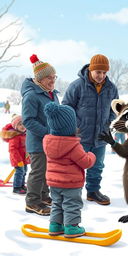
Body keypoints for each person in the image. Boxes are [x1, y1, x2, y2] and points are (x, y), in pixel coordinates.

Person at [62, 54, 119, 205]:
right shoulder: (77, 85)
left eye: (104, 72)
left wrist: (108, 122)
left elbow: (115, 108)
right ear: (91, 70)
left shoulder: (111, 88)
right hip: (80, 135)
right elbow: (66, 107)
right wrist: (75, 127)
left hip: (101, 135)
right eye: (98, 72)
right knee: (76, 166)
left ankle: (93, 191)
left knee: (97, 165)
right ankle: (73, 193)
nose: (101, 76)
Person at [43, 102, 96, 238]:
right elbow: (86, 162)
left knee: (57, 203)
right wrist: (91, 155)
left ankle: (55, 225)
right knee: (71, 204)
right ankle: (71, 228)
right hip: (71, 183)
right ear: (70, 126)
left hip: (54, 182)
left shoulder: (48, 142)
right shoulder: (73, 146)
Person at [21, 54, 59, 216]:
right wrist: (48, 132)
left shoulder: (52, 93)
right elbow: (28, 121)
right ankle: (32, 202)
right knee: (38, 171)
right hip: (37, 142)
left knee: (47, 170)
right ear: (40, 79)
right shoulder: (31, 96)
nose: (52, 80)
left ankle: (43, 195)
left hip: (51, 141)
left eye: (54, 77)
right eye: (49, 78)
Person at [0, 114, 30, 194]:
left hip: (24, 158)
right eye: (20, 124)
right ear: (15, 127)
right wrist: (18, 160)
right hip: (17, 159)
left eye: (23, 124)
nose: (22, 126)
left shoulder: (24, 135)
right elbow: (12, 150)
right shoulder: (15, 137)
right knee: (20, 172)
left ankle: (22, 185)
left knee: (24, 171)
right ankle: (16, 187)